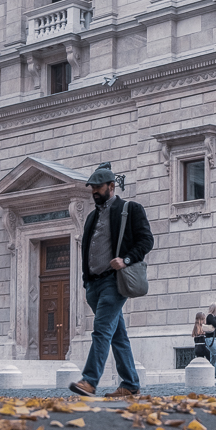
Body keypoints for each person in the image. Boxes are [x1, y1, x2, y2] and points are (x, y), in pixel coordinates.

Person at [69, 162, 153, 397]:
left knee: (102, 330)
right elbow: (86, 249)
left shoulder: (130, 209)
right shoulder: (90, 218)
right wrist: (86, 281)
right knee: (118, 336)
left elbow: (146, 241)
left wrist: (126, 259)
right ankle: (130, 384)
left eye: (98, 187)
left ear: (111, 186)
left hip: (114, 282)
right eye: (92, 188)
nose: (94, 191)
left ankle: (89, 380)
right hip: (93, 284)